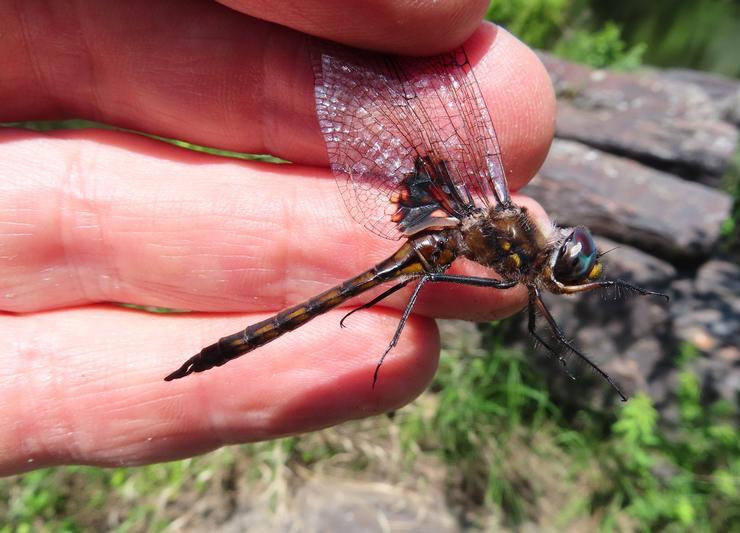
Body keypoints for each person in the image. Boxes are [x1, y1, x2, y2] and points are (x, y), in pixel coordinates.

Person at [0, 0, 555, 476]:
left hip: (437, 241)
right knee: (371, 294)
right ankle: (226, 352)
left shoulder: (510, 248)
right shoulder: (509, 242)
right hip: (435, 243)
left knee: (412, 288)